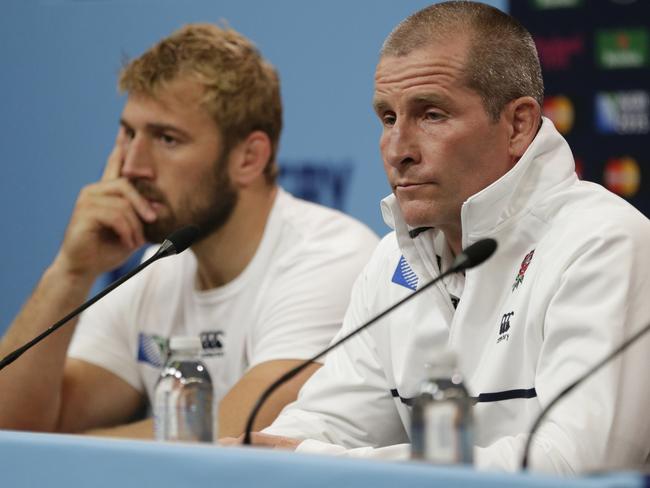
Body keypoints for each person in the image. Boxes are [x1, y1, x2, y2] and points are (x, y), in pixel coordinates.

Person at [244, 1, 650, 474]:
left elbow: (575, 464)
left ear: (517, 124)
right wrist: (258, 459)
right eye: (388, 118)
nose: (398, 151)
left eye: (431, 115)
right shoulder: (393, 262)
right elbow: (320, 427)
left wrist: (314, 460)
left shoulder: (603, 243)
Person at [0, 24, 378, 438]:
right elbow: (15, 424)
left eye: (167, 138)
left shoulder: (330, 256)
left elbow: (233, 436)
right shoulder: (154, 270)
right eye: (128, 133)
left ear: (249, 158)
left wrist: (65, 447)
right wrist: (71, 272)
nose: (131, 166)